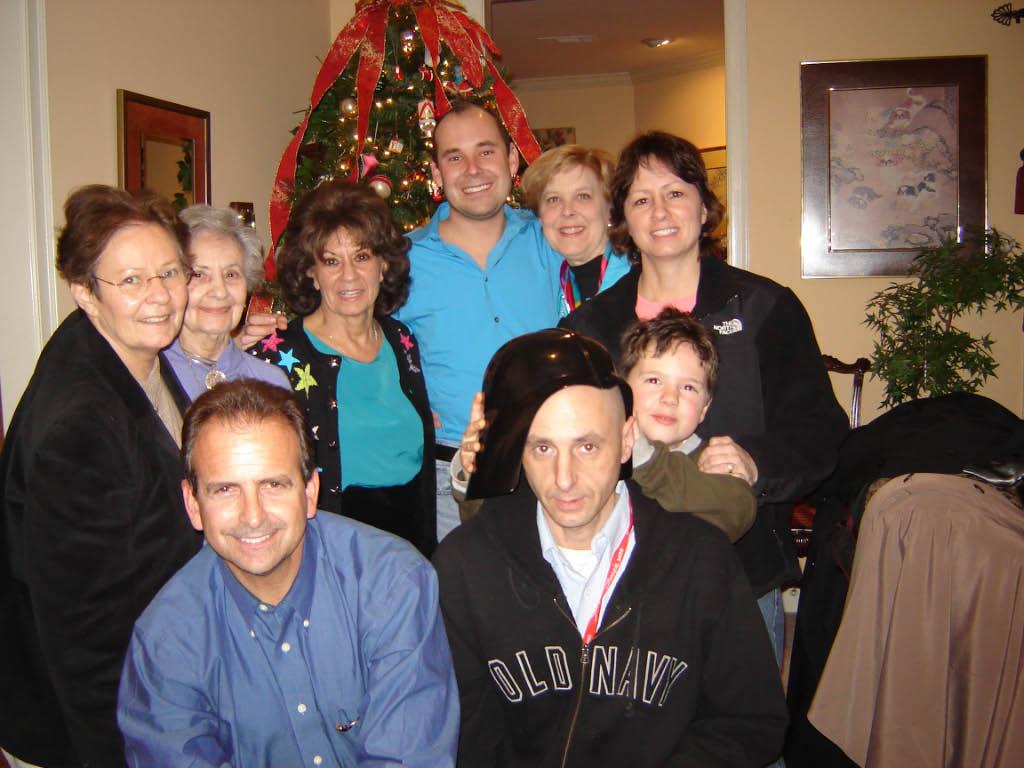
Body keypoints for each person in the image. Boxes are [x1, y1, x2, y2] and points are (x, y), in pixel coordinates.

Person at [433, 329, 788, 768]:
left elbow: (749, 722)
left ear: (626, 442)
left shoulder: (701, 561)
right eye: (542, 448)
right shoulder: (465, 567)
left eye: (587, 446)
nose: (564, 478)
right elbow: (462, 728)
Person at [561, 131, 849, 664]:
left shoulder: (765, 309)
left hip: (736, 572)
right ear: (621, 217)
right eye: (641, 199)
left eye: (676, 192)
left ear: (704, 206)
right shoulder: (590, 327)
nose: (660, 211)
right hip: (619, 576)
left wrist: (755, 460)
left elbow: (822, 431)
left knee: (743, 739)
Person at [117, 379, 459, 767]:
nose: (253, 515)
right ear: (193, 504)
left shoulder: (393, 584)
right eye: (225, 490)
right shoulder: (167, 640)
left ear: (310, 491)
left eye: (274, 485)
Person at [0, 185, 201, 768]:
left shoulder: (127, 349)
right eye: (131, 281)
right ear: (85, 292)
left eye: (170, 271)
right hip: (90, 716)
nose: (160, 296)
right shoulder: (80, 429)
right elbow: (84, 637)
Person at [455, 307, 756, 542]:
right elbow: (488, 521)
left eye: (688, 388)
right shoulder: (578, 447)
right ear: (622, 387)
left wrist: (642, 456)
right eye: (653, 380)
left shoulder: (709, 463)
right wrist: (478, 468)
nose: (669, 398)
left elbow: (737, 511)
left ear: (705, 408)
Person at [252, 181, 437, 555]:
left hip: (412, 546)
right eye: (331, 261)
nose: (349, 276)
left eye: (363, 256)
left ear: (384, 265)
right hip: (332, 552)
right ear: (310, 272)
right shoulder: (278, 356)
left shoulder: (401, 341)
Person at [164, 205, 290, 400]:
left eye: (231, 274)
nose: (220, 292)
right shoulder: (152, 374)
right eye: (199, 274)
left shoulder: (271, 382)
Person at [520, 144, 631, 316]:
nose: (567, 211)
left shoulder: (639, 278)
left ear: (610, 210)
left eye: (582, 196)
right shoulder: (550, 292)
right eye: (553, 199)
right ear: (540, 217)